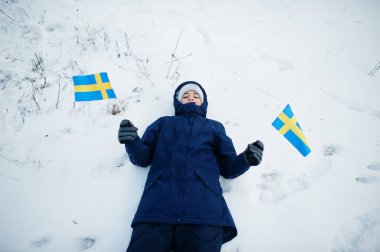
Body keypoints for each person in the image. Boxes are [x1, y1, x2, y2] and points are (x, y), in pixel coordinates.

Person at [118, 81, 264, 252]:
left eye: (196, 96)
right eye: (185, 96)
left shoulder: (214, 127)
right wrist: (132, 141)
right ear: (178, 102)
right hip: (157, 208)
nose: (191, 99)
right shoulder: (162, 123)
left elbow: (228, 168)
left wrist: (246, 159)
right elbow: (142, 158)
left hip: (203, 212)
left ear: (204, 103)